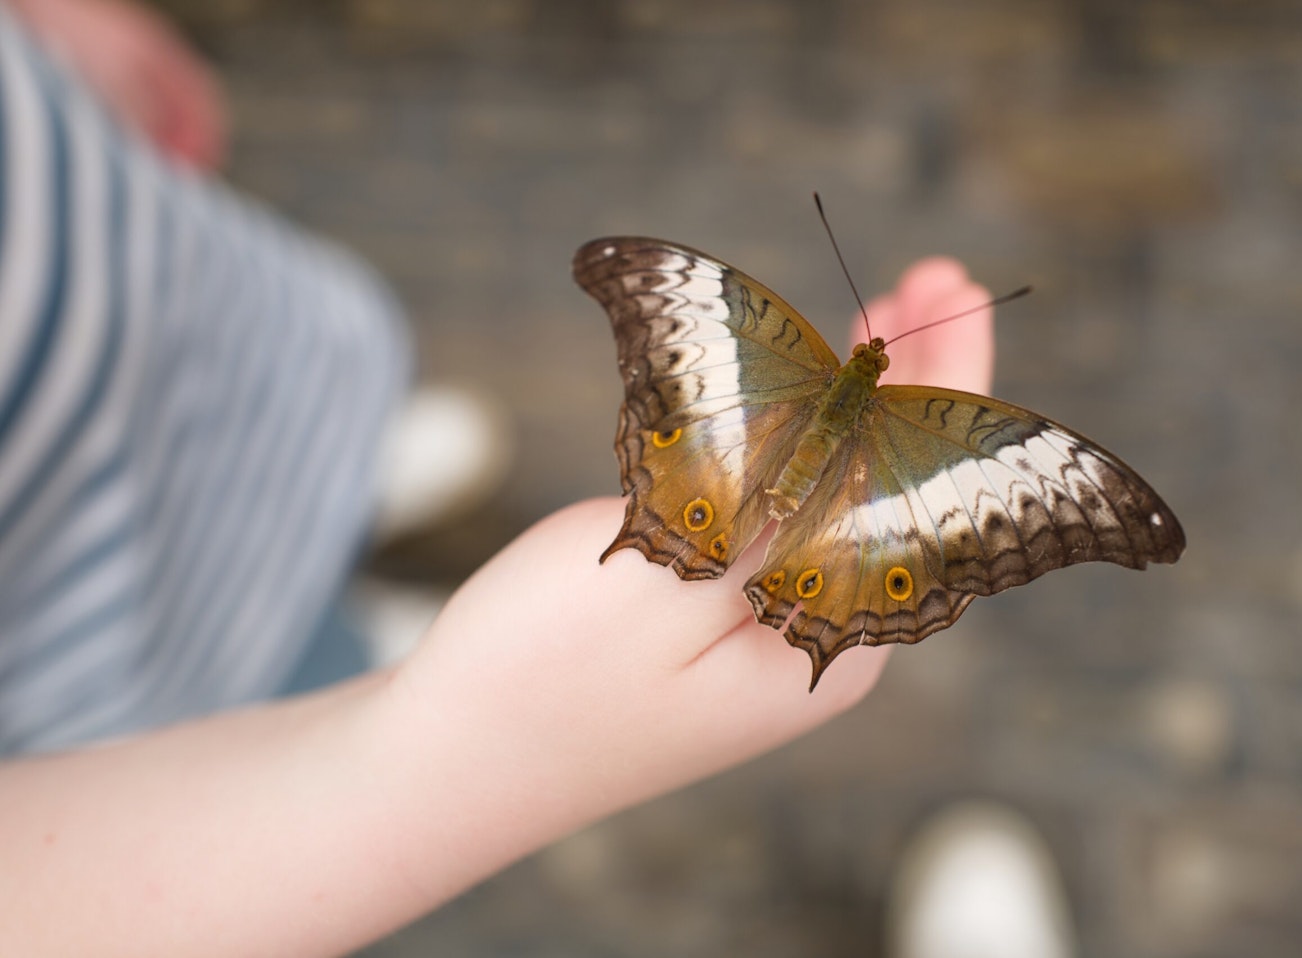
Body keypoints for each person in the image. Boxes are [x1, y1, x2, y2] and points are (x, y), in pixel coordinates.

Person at [0, 1, 1000, 954]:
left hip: (131, 270)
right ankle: (377, 667)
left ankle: (341, 468)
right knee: (295, 687)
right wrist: (462, 742)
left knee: (277, 394)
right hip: (102, 671)